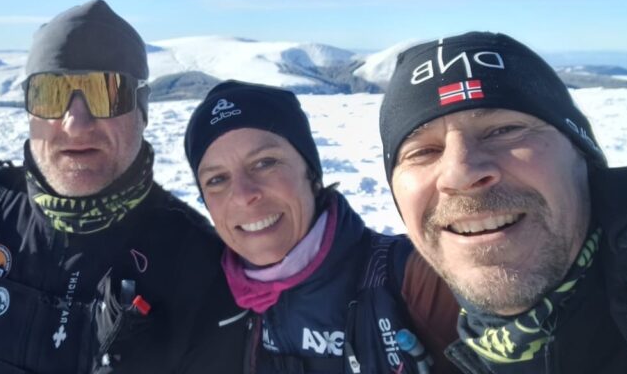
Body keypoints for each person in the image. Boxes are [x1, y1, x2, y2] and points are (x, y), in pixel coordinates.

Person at [0, 0, 246, 374]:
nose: (76, 124)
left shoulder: (199, 267)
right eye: (50, 93)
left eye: (106, 92)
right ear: (29, 109)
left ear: (142, 112)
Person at [379, 31, 627, 373]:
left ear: (582, 155)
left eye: (503, 130)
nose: (460, 173)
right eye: (423, 152)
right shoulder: (416, 325)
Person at [184, 80, 460, 374]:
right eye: (216, 180)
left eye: (264, 163)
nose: (243, 195)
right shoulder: (212, 305)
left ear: (311, 173)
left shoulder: (417, 278)